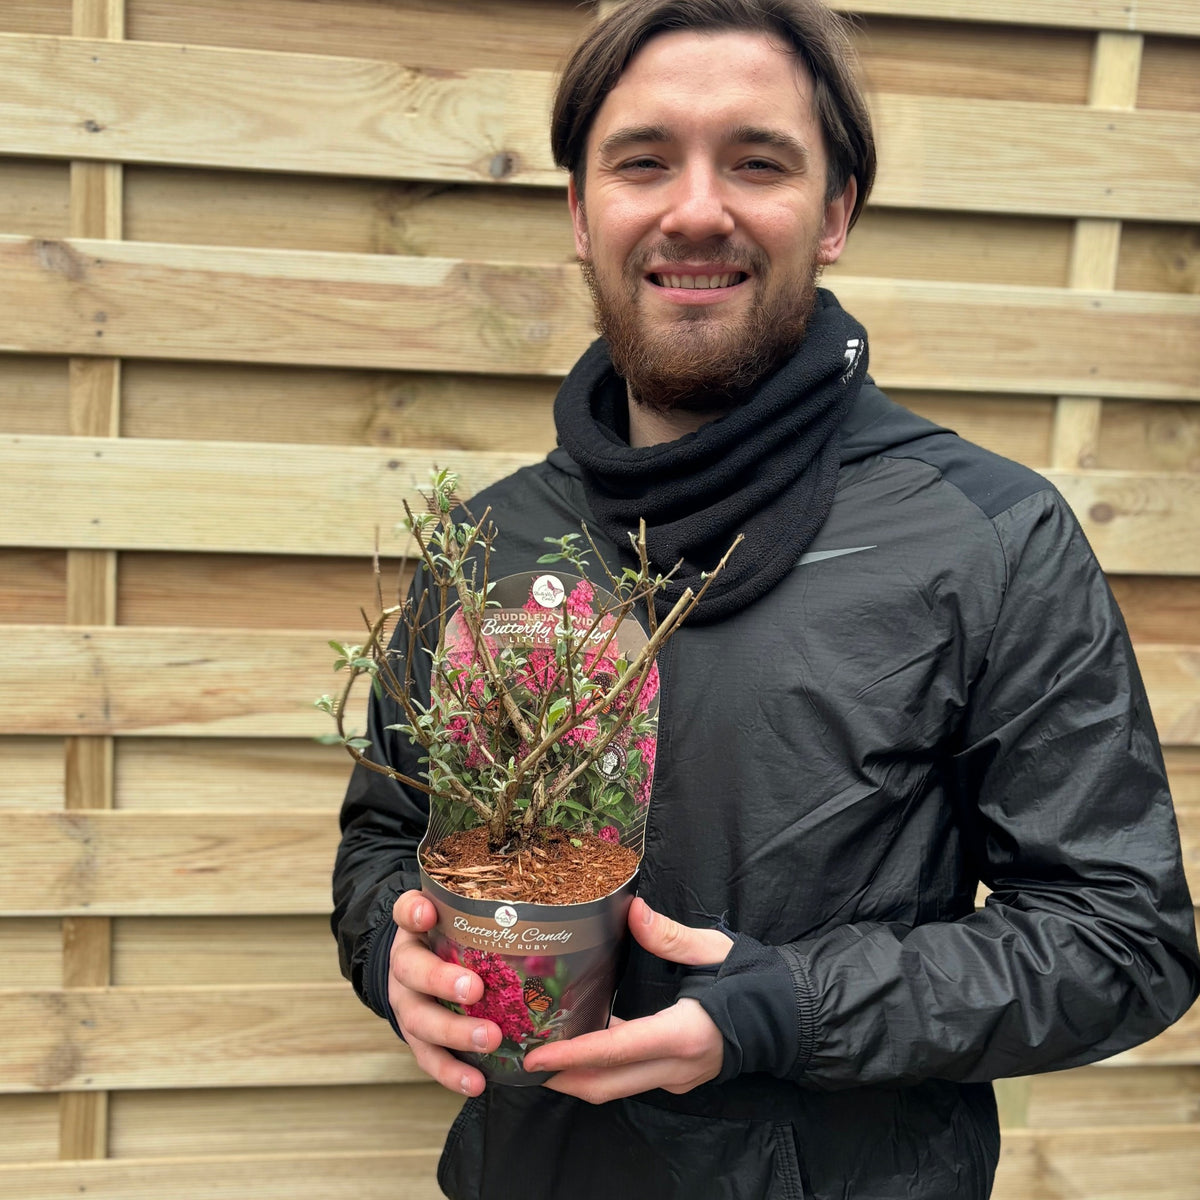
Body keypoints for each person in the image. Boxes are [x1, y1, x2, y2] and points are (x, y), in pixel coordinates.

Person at [332, 2, 1200, 1196]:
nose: (696, 208)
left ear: (834, 213)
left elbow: (1122, 938)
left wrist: (793, 1009)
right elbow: (385, 838)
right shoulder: (488, 541)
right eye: (644, 161)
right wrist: (396, 948)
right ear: (583, 214)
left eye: (757, 160)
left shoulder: (988, 536)